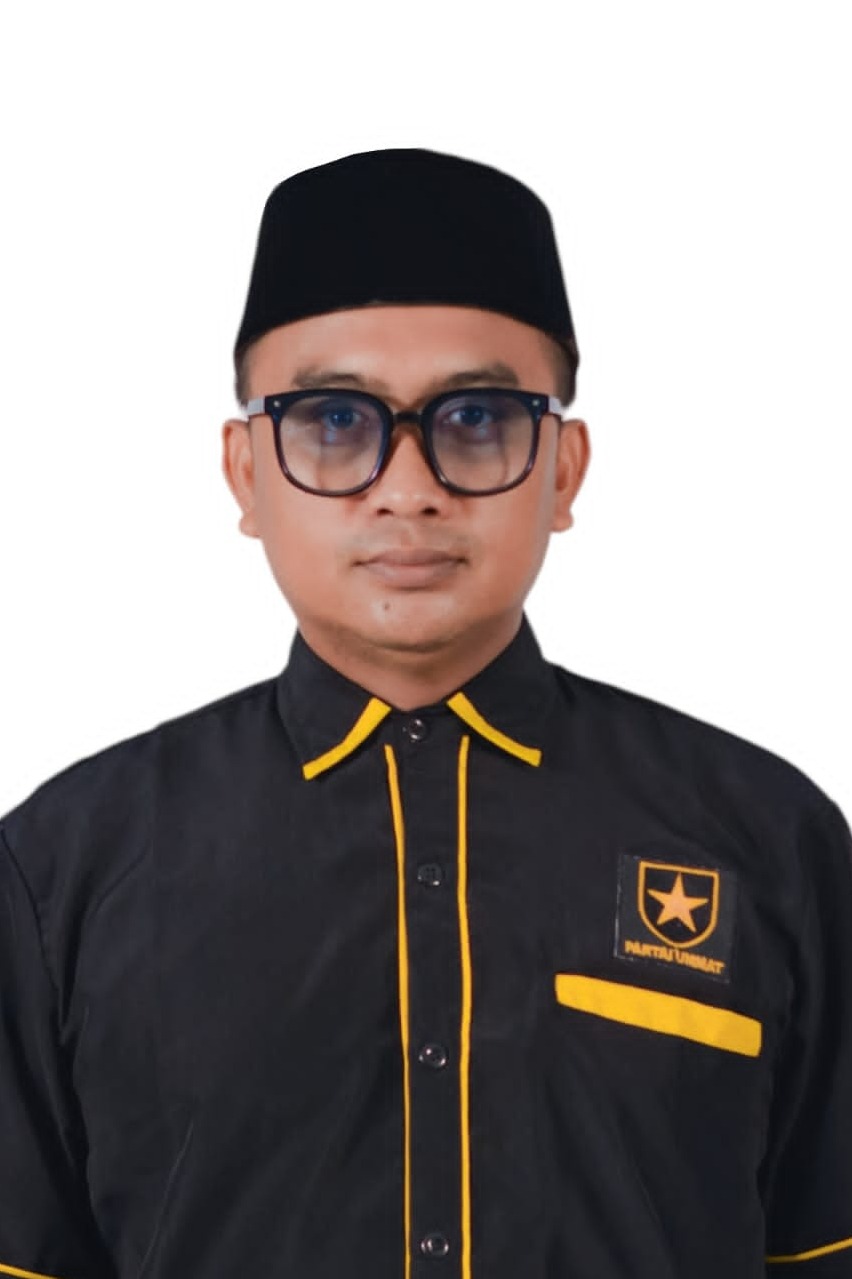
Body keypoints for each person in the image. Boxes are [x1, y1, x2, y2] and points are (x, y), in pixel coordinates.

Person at [1, 147, 850, 1279]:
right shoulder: (63, 871)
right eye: (334, 420)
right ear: (245, 472)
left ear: (564, 469)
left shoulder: (769, 841)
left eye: (478, 418)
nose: (409, 490)